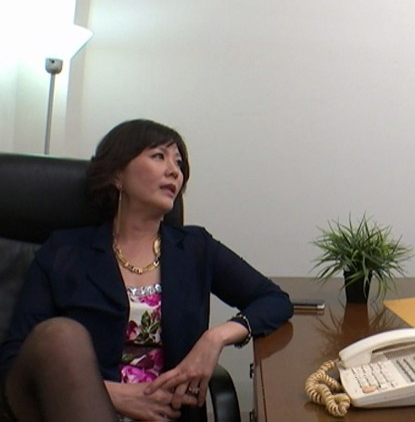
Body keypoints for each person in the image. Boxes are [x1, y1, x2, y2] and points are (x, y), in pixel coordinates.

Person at [0, 119, 294, 421]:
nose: (174, 171)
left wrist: (214, 338)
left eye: (178, 163)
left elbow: (275, 300)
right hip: (71, 408)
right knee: (61, 335)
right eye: (158, 156)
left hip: (165, 413)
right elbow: (14, 359)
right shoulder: (64, 251)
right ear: (117, 173)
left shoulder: (195, 248)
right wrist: (109, 393)